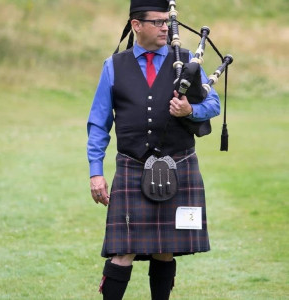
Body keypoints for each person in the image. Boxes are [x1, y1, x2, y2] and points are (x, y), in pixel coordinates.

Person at [86, 0, 220, 299]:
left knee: (165, 251)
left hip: (179, 165)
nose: (166, 28)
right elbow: (98, 124)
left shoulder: (186, 60)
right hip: (133, 166)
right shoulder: (114, 66)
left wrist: (189, 111)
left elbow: (213, 104)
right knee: (123, 251)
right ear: (137, 25)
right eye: (158, 22)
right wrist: (96, 173)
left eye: (167, 22)